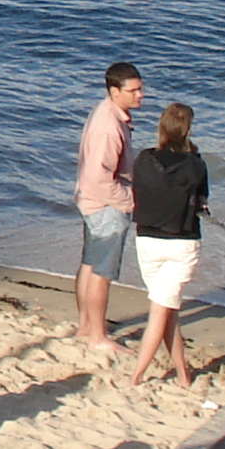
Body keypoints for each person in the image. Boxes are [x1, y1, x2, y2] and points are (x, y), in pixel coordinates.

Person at [129, 101, 209, 389]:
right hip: (181, 243)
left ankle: (183, 375)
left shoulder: (143, 159)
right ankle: (137, 376)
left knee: (165, 308)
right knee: (163, 310)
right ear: (188, 131)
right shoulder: (196, 165)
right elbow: (202, 202)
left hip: (147, 240)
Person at [74, 61, 142, 353]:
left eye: (140, 89)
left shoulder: (106, 113)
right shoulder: (109, 127)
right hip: (105, 206)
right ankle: (97, 337)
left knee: (90, 263)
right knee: (101, 271)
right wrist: (128, 202)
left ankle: (87, 325)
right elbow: (98, 177)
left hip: (92, 202)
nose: (140, 95)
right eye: (134, 91)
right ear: (115, 91)